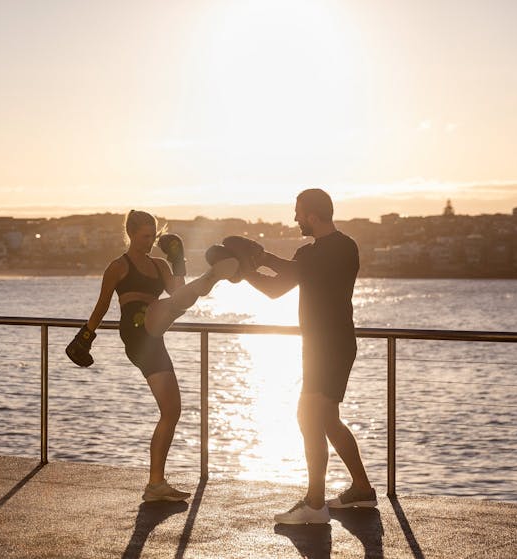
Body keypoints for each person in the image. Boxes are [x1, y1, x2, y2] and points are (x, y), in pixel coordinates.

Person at [66, 209, 238, 502]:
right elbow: (102, 306)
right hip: (135, 330)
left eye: (154, 236)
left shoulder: (160, 266)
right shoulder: (118, 267)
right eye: (145, 236)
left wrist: (177, 261)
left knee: (172, 411)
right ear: (131, 234)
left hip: (155, 336)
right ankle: (210, 277)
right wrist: (84, 338)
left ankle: (155, 484)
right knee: (166, 308)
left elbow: (179, 292)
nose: (150, 242)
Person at [235, 188, 376, 524]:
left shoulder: (342, 247)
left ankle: (315, 504)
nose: (294, 218)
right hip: (317, 346)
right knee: (325, 418)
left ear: (312, 215)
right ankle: (362, 488)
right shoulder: (306, 252)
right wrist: (243, 272)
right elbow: (275, 289)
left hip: (334, 345)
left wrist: (261, 256)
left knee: (307, 415)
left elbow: (298, 271)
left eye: (297, 212)